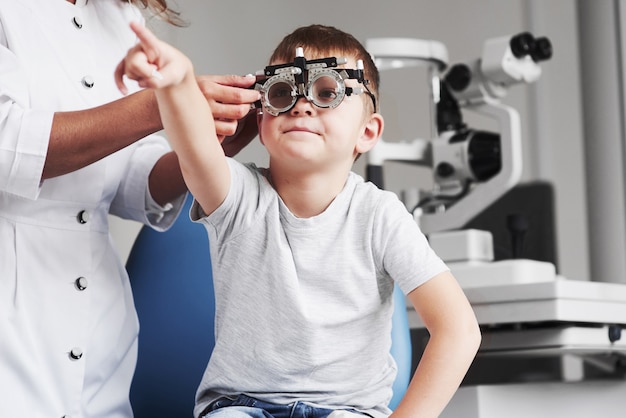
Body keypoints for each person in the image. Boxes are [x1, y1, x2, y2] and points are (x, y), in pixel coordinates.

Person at [116, 22, 481, 418]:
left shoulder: (380, 216)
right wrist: (178, 83)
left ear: (368, 132)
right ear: (261, 121)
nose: (302, 104)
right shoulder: (238, 196)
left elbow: (458, 329)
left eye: (328, 92)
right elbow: (196, 149)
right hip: (243, 407)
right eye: (283, 92)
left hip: (349, 410)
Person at [0, 1, 260, 417]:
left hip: (99, 324)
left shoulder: (121, 19)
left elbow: (127, 179)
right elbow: (7, 143)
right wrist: (165, 103)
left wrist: (204, 150)